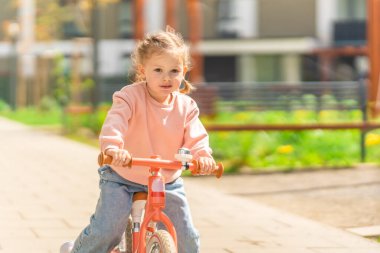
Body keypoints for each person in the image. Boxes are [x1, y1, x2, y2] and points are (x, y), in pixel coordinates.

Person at [60, 26, 216, 253]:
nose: (166, 77)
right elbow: (115, 123)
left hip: (166, 180)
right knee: (107, 229)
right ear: (143, 71)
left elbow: (196, 136)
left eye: (174, 71)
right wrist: (114, 148)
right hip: (122, 175)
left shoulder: (186, 106)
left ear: (184, 72)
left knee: (187, 236)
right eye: (158, 70)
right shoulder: (129, 96)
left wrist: (202, 156)